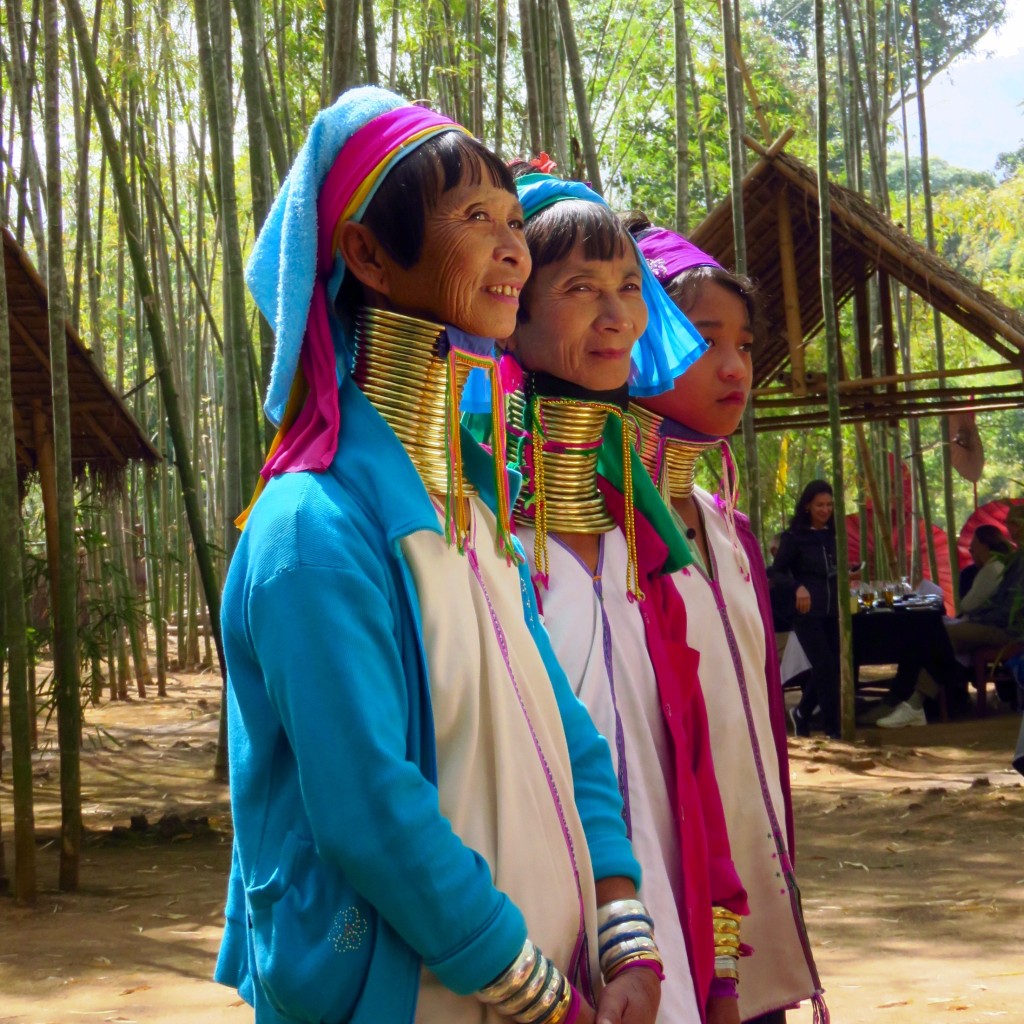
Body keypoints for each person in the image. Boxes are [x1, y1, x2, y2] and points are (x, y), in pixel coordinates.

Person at [216, 88, 657, 1024]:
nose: (513, 248)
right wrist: (538, 995)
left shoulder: (474, 516)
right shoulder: (312, 529)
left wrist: (620, 919)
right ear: (369, 254)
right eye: (473, 219)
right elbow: (371, 810)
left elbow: (564, 723)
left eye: (512, 220)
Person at [501, 172, 748, 1024]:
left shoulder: (636, 543)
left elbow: (686, 766)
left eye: (628, 290)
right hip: (530, 932)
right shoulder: (480, 536)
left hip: (654, 927)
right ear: (511, 309)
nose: (617, 317)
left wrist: (710, 954)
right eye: (578, 289)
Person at [627, 220, 826, 1024]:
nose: (736, 366)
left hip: (752, 862)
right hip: (661, 879)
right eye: (706, 339)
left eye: (744, 343)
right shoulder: (594, 530)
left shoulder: (726, 528)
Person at [879, 515, 1024, 727]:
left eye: (1015, 529)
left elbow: (1003, 608)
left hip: (1004, 629)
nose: (1011, 534)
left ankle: (909, 700)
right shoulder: (1015, 559)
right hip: (992, 622)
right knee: (944, 644)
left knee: (934, 635)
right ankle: (915, 704)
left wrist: (978, 617)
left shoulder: (1009, 564)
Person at [768, 481, 840, 739]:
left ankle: (802, 712)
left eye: (829, 505)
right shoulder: (793, 538)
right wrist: (797, 586)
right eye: (820, 505)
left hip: (834, 610)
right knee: (825, 665)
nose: (825, 510)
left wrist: (849, 572)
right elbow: (777, 571)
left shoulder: (834, 535)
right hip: (807, 612)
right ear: (807, 505)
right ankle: (834, 729)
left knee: (834, 667)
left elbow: (832, 569)